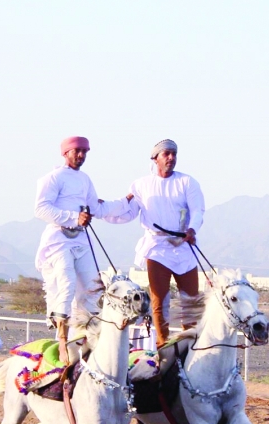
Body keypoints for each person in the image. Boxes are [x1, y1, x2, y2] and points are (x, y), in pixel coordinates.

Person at [34, 136, 131, 362]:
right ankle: (62, 343)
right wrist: (73, 217)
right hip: (59, 239)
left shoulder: (85, 179)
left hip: (81, 239)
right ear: (65, 153)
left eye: (85, 152)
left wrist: (124, 202)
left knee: (93, 289)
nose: (81, 155)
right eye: (77, 151)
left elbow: (97, 208)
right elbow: (40, 208)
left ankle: (87, 340)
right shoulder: (53, 178)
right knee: (66, 284)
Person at [107, 139, 206, 346]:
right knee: (159, 302)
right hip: (156, 248)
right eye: (166, 154)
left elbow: (198, 210)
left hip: (183, 245)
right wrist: (102, 210)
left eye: (174, 154)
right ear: (155, 158)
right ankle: (163, 347)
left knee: (191, 303)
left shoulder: (187, 182)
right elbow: (127, 212)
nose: (171, 158)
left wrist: (192, 229)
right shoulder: (141, 185)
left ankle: (190, 347)